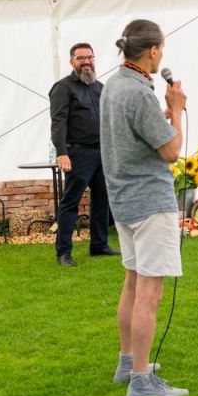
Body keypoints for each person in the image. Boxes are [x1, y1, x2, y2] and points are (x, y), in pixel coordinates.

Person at [100, 19, 188, 396]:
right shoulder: (138, 92)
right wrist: (177, 110)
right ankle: (141, 381)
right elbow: (171, 151)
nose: (161, 56)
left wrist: (163, 117)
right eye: (161, 49)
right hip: (150, 202)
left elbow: (134, 135)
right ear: (152, 50)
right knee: (150, 293)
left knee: (133, 283)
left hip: (123, 199)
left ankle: (128, 362)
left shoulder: (114, 84)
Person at [49, 42, 119, 267]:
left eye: (90, 57)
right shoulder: (63, 87)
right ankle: (63, 253)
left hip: (102, 152)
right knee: (71, 202)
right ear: (72, 62)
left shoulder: (100, 87)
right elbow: (58, 122)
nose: (86, 62)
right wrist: (62, 153)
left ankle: (99, 245)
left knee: (102, 200)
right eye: (81, 58)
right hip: (78, 153)